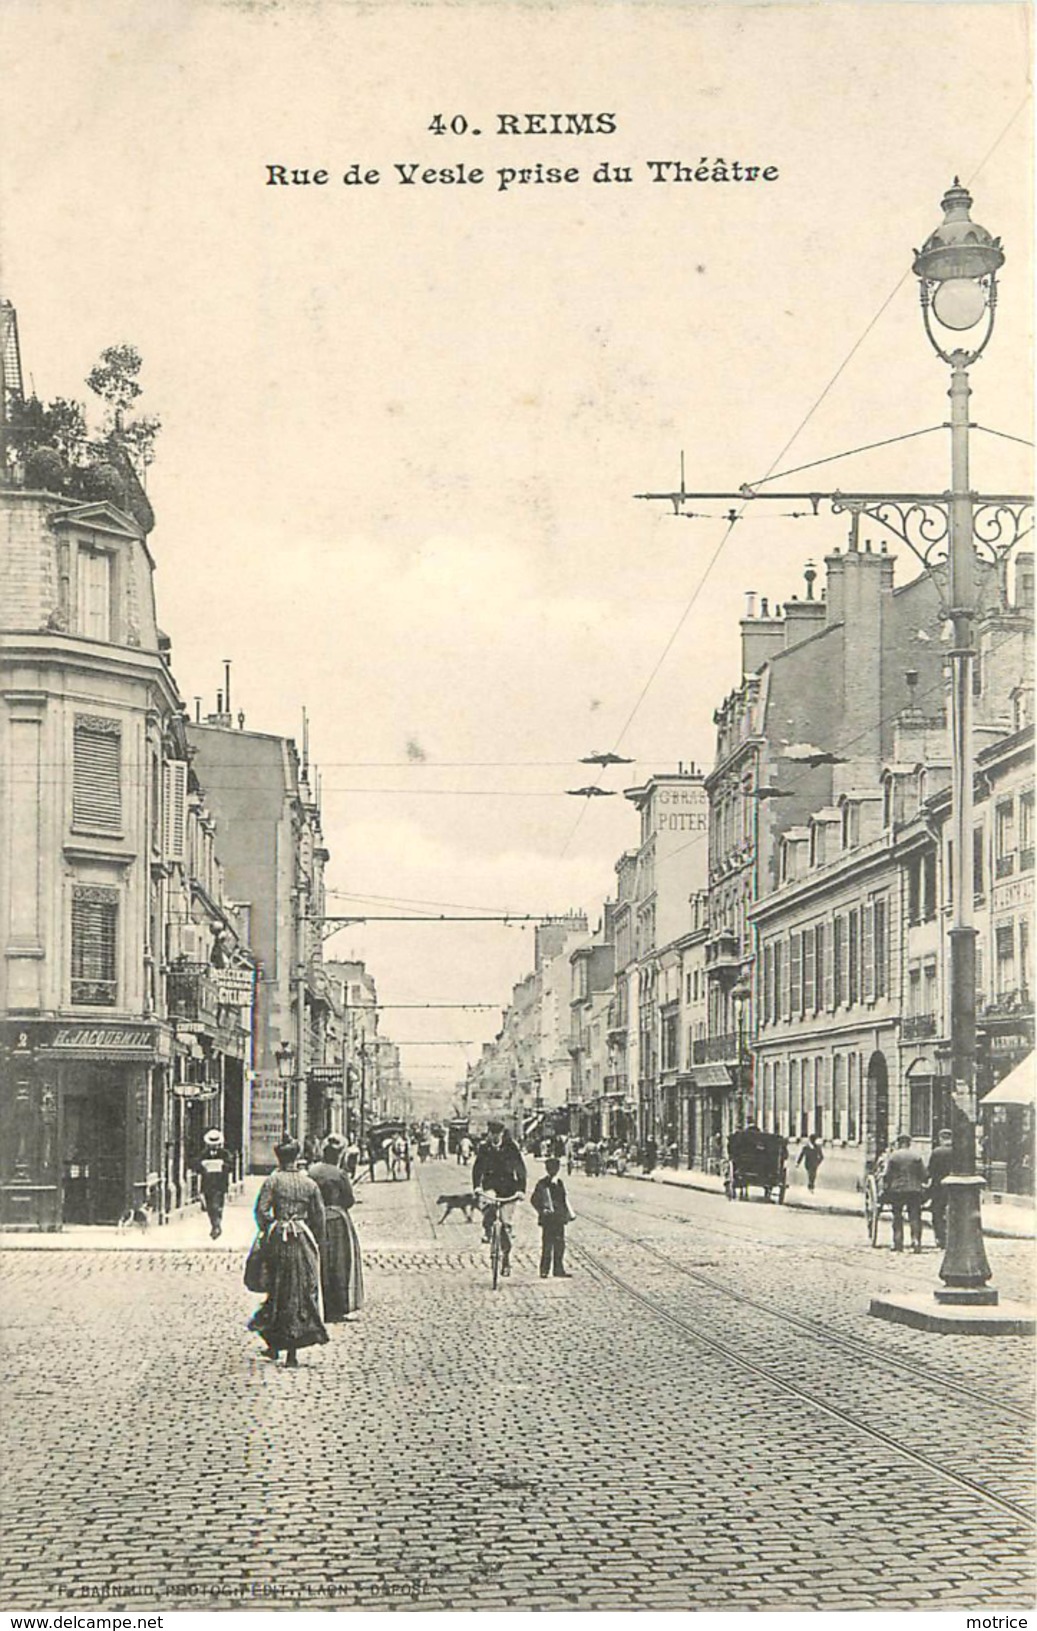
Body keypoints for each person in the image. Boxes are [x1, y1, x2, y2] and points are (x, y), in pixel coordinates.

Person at [247, 1138, 329, 1368]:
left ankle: (275, 1344)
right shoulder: (309, 1184)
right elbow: (319, 1218)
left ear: (279, 1159)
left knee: (278, 1289)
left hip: (279, 1238)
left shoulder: (272, 1181)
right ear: (296, 1158)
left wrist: (271, 1227)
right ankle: (292, 1349)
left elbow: (261, 1211)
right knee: (301, 1290)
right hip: (302, 1238)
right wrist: (315, 1241)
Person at [307, 1135, 364, 1322]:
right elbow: (349, 1200)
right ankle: (337, 1307)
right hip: (337, 1221)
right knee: (340, 1262)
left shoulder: (312, 1171)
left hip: (315, 1220)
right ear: (338, 1155)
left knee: (318, 1260)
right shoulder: (340, 1174)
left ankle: (318, 1304)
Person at [472, 1121, 527, 1277]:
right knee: (488, 1207)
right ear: (489, 1134)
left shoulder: (511, 1147)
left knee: (505, 1224)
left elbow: (520, 1168)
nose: (495, 1137)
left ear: (502, 1134)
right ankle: (488, 1230)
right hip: (490, 1187)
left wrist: (521, 1190)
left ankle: (506, 1260)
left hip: (509, 1189)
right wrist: (477, 1186)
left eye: (498, 1134)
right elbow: (477, 1168)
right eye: (492, 1134)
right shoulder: (484, 1148)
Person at [881, 1133, 927, 1253]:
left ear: (899, 1143)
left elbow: (887, 1175)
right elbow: (924, 1174)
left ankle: (898, 1242)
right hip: (914, 1191)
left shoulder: (893, 1156)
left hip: (897, 1191)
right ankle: (916, 1241)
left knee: (897, 1216)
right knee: (915, 1216)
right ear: (909, 1143)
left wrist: (887, 1187)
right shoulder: (916, 1156)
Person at [530, 1157, 574, 1278]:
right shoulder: (542, 1183)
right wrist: (542, 1210)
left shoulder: (559, 1183)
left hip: (559, 1219)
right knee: (547, 1245)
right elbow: (534, 1199)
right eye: (551, 1168)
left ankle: (558, 1269)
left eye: (555, 1168)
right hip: (548, 1219)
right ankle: (544, 1270)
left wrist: (566, 1214)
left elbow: (563, 1199)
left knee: (560, 1244)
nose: (553, 1171)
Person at [194, 1129, 234, 1239]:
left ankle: (216, 1226)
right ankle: (214, 1224)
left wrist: (222, 1166)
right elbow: (196, 1165)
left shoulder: (225, 1154)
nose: (214, 1146)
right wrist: (203, 1165)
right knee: (210, 1207)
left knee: (217, 1206)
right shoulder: (204, 1154)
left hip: (219, 1185)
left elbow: (231, 1166)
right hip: (207, 1184)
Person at [926, 1128, 955, 1250]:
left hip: (939, 1187)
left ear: (941, 1139)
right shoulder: (957, 1151)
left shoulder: (937, 1152)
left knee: (937, 1212)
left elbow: (931, 1171)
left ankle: (940, 1239)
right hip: (954, 1187)